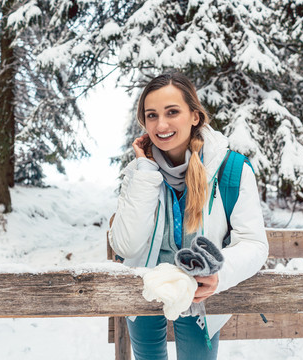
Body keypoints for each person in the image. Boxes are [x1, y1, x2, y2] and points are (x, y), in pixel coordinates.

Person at [108, 72, 268, 360]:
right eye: (152, 115)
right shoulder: (138, 172)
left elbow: (254, 244)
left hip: (200, 293)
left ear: (195, 116)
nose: (162, 124)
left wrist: (220, 272)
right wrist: (145, 174)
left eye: (172, 112)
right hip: (144, 286)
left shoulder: (231, 170)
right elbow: (126, 247)